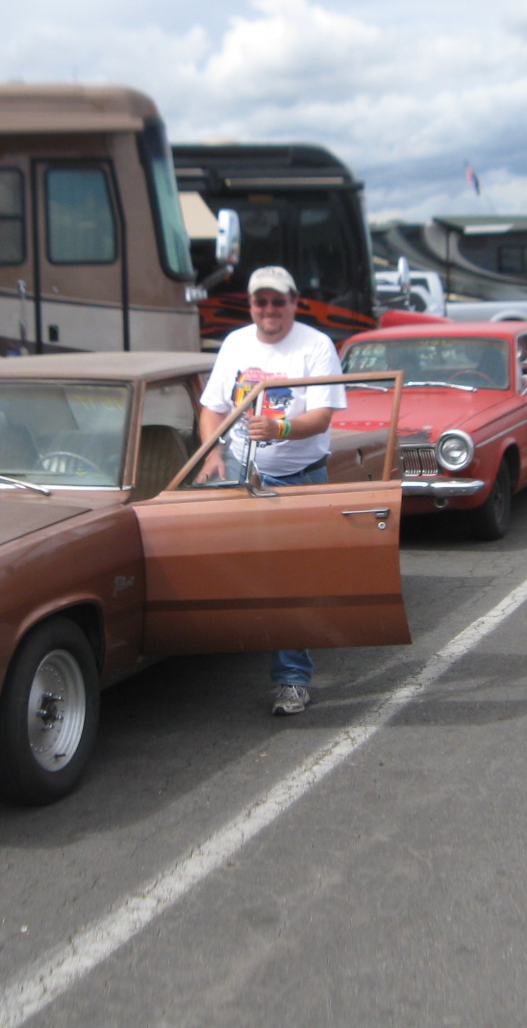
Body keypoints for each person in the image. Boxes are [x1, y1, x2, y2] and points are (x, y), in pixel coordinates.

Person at [198, 265, 346, 716]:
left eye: (278, 301)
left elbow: (322, 416)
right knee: (237, 571)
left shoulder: (316, 346)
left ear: (293, 303)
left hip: (300, 478)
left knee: (290, 581)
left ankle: (292, 681)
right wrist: (211, 452)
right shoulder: (235, 343)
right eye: (261, 301)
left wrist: (279, 428)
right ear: (250, 304)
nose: (269, 309)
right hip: (241, 473)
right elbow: (211, 408)